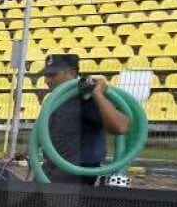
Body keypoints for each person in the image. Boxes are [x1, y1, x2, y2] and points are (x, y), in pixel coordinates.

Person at [36, 54, 130, 184]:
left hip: (76, 171)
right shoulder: (56, 99)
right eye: (46, 76)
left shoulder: (88, 98)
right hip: (53, 166)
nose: (46, 80)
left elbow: (121, 127)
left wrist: (98, 94)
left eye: (52, 75)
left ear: (71, 73)